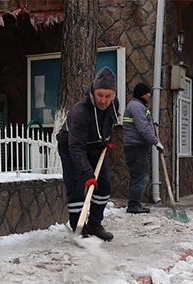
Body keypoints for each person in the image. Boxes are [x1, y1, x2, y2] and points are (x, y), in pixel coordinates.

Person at [56, 67, 120, 241]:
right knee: (77, 188)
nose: (103, 100)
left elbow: (111, 123)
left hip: (96, 149)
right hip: (71, 149)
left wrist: (108, 139)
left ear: (113, 94)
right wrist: (87, 174)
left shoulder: (114, 105)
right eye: (100, 95)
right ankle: (79, 227)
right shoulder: (79, 113)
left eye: (108, 96)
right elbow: (75, 147)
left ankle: (94, 224)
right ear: (93, 91)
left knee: (104, 187)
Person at [122, 83, 164, 214]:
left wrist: (152, 123)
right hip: (136, 146)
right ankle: (134, 205)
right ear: (142, 94)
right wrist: (155, 142)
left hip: (136, 145)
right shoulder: (136, 106)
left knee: (138, 176)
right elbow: (142, 128)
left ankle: (135, 203)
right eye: (148, 93)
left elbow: (143, 123)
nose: (149, 95)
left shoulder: (138, 106)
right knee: (141, 176)